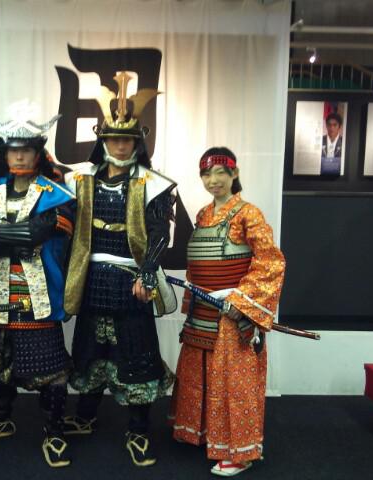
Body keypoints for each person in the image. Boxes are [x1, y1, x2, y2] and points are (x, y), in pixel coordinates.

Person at [63, 72, 176, 467]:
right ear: (103, 142)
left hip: (131, 280)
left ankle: (139, 429)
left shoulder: (152, 184)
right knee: (90, 350)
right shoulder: (80, 181)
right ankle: (85, 416)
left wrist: (147, 274)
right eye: (113, 140)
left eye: (126, 140)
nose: (120, 146)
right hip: (91, 277)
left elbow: (159, 234)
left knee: (136, 353)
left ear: (137, 143)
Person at [169, 147, 286, 477]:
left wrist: (243, 302)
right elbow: (198, 265)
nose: (213, 180)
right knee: (201, 378)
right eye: (206, 174)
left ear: (234, 174)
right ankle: (205, 434)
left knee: (234, 385)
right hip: (202, 313)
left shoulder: (249, 214)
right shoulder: (203, 215)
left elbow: (270, 262)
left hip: (233, 315)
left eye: (220, 172)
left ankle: (239, 452)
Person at [0, 109, 75, 467]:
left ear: (38, 153)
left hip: (38, 293)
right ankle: (1, 419)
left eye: (26, 150)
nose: (18, 156)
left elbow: (35, 233)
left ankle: (55, 431)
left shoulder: (56, 195)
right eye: (13, 150)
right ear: (4, 153)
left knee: (49, 367)